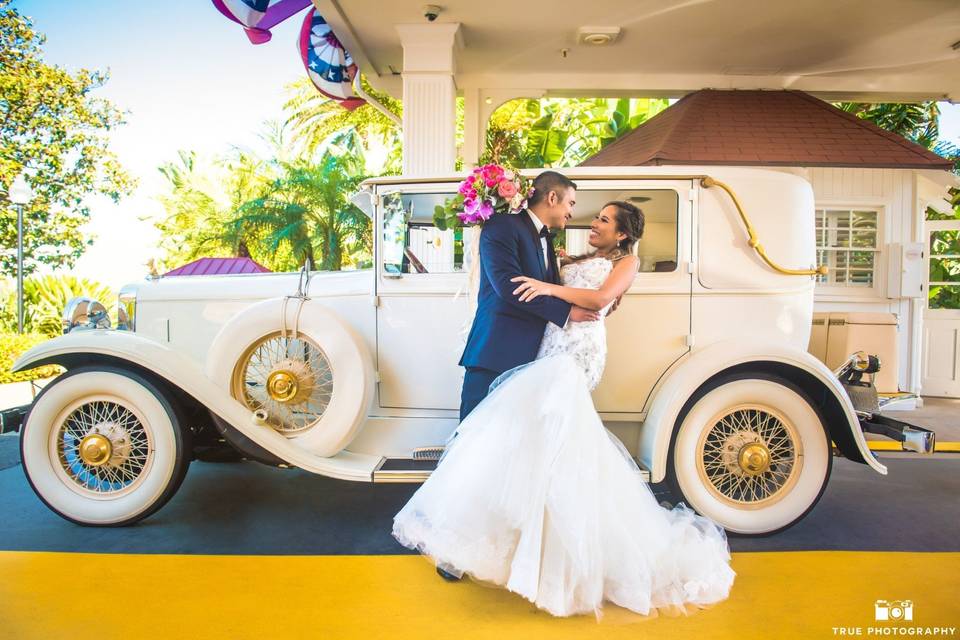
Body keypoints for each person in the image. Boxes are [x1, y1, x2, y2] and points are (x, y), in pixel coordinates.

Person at [392, 197, 736, 618]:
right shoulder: (572, 256)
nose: (594, 223)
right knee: (523, 448)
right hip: (546, 348)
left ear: (623, 233)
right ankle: (498, 546)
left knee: (554, 448)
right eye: (594, 216)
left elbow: (599, 299)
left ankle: (556, 563)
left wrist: (549, 288)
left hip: (575, 354)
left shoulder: (627, 264)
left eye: (605, 220)